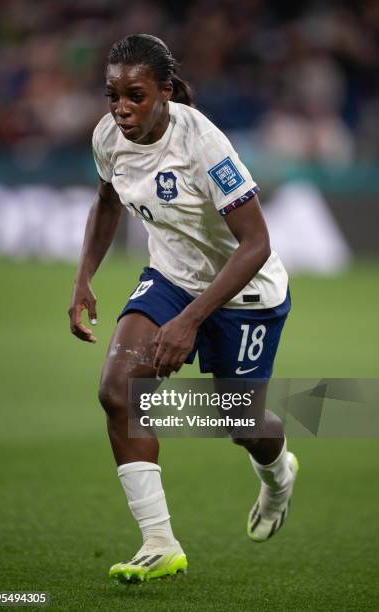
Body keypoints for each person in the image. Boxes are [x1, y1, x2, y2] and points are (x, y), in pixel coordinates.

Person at [68, 33, 298, 584]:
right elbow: (106, 202)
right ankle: (158, 541)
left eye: (136, 96)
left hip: (244, 291)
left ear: (165, 92)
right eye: (112, 96)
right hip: (171, 276)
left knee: (237, 422)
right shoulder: (108, 137)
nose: (121, 110)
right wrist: (83, 279)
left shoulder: (204, 144)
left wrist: (190, 321)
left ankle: (278, 475)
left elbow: (256, 244)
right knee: (118, 389)